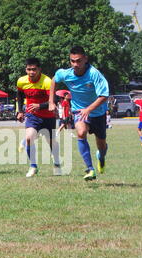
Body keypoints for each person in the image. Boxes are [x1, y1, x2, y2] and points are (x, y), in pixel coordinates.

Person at [49, 46, 109, 181]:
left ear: (85, 59)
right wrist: (51, 102)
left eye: (79, 61)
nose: (75, 64)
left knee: (102, 145)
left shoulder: (94, 74)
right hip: (78, 110)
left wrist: (88, 109)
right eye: (72, 61)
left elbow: (104, 96)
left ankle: (101, 156)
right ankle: (90, 169)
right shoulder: (66, 74)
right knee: (81, 132)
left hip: (98, 113)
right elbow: (54, 80)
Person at [16, 57, 61, 177]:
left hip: (48, 116)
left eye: (34, 69)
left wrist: (40, 106)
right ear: (25, 69)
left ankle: (56, 163)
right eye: (29, 69)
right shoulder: (21, 81)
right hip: (32, 116)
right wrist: (20, 111)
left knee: (51, 142)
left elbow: (54, 100)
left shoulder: (47, 81)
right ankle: (33, 166)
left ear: (39, 69)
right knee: (29, 138)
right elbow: (20, 96)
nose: (31, 72)